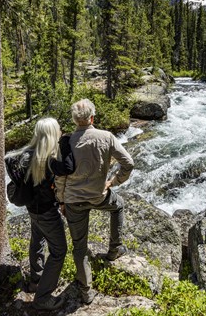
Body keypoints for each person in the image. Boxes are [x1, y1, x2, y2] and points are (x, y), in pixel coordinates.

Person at [56, 99, 134, 305]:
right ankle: (114, 250)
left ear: (74, 120)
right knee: (118, 206)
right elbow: (129, 163)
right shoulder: (106, 137)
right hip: (99, 195)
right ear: (92, 118)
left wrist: (61, 201)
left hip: (74, 201)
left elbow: (60, 176)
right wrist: (114, 181)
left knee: (79, 247)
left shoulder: (66, 142)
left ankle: (86, 291)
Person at [5, 117, 74, 311]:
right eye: (58, 130)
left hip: (32, 209)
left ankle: (36, 280)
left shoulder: (26, 155)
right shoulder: (50, 160)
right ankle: (43, 298)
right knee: (59, 250)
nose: (60, 132)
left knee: (37, 239)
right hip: (47, 212)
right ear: (53, 135)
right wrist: (66, 145)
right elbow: (69, 168)